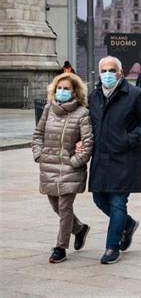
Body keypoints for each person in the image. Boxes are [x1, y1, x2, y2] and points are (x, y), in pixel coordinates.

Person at [86, 56, 141, 264]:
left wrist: (130, 139)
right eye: (103, 71)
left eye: (111, 70)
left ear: (120, 72)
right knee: (99, 199)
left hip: (124, 157)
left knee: (118, 202)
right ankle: (128, 224)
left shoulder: (135, 94)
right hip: (100, 156)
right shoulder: (94, 96)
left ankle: (112, 246)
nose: (107, 74)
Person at [32, 73, 93, 263]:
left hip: (70, 168)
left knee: (65, 207)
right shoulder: (49, 109)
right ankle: (80, 229)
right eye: (59, 88)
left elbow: (88, 143)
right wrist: (38, 154)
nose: (62, 91)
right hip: (48, 165)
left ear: (75, 92)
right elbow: (38, 134)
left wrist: (75, 161)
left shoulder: (82, 113)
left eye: (66, 89)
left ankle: (60, 247)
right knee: (55, 205)